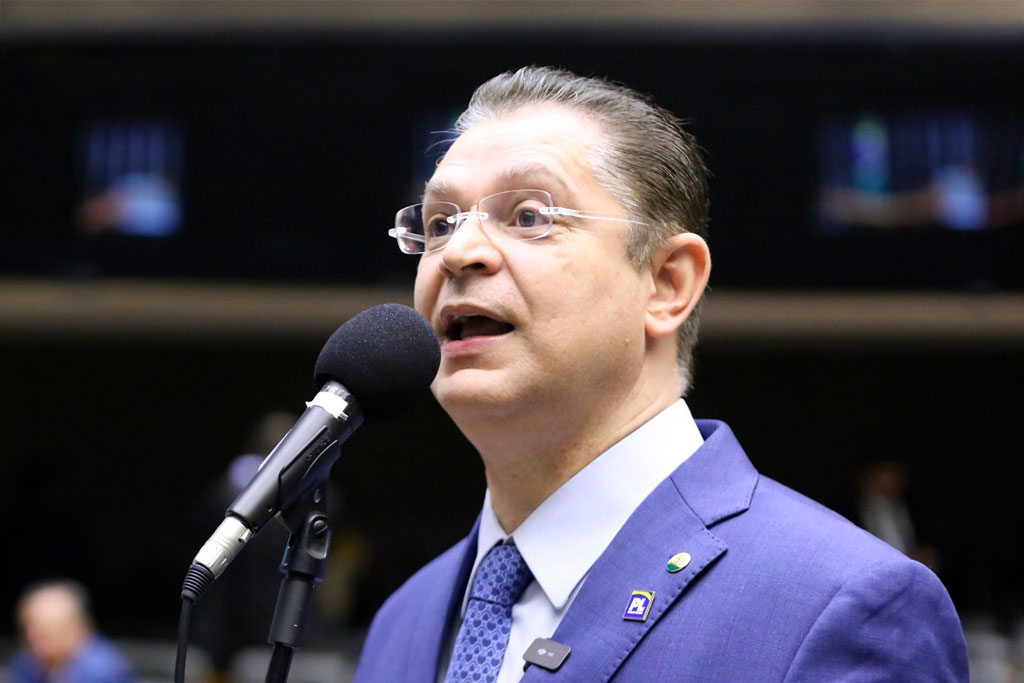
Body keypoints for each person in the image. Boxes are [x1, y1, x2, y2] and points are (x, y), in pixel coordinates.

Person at [355, 66, 968, 682]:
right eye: (439, 224)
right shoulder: (405, 620)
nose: (460, 252)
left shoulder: (843, 605)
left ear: (667, 284)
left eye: (529, 215)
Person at [9, 580, 136, 683]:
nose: (32, 637)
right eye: (28, 629)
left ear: (77, 629)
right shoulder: (26, 664)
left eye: (46, 633)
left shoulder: (103, 671)